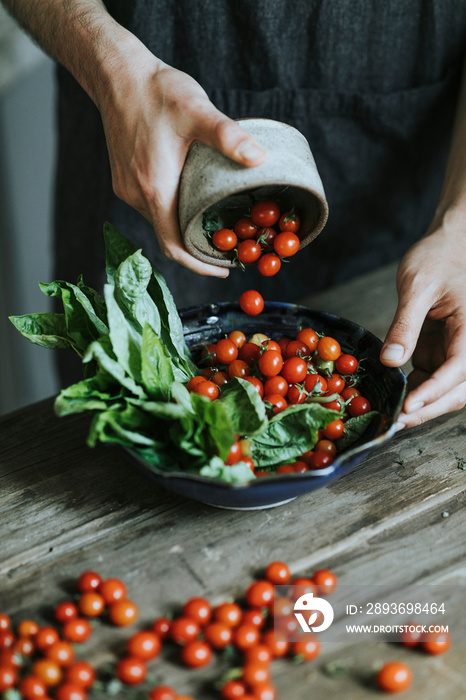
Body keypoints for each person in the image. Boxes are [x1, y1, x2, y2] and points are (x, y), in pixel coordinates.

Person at [2, 0, 466, 430]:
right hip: (139, 128)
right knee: (130, 412)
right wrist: (113, 70)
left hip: (392, 167)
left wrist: (460, 223)